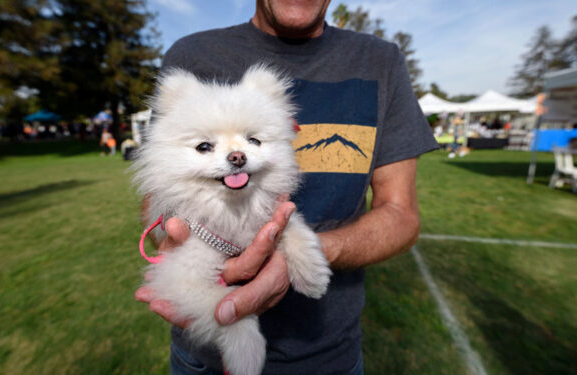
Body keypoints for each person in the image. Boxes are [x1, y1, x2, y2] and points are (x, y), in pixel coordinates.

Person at [135, 1, 438, 374]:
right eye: (205, 147)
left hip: (330, 355)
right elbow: (156, 198)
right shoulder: (189, 55)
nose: (236, 157)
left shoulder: (380, 60)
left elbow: (401, 215)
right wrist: (177, 237)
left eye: (252, 141)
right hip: (202, 363)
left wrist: (294, 250)